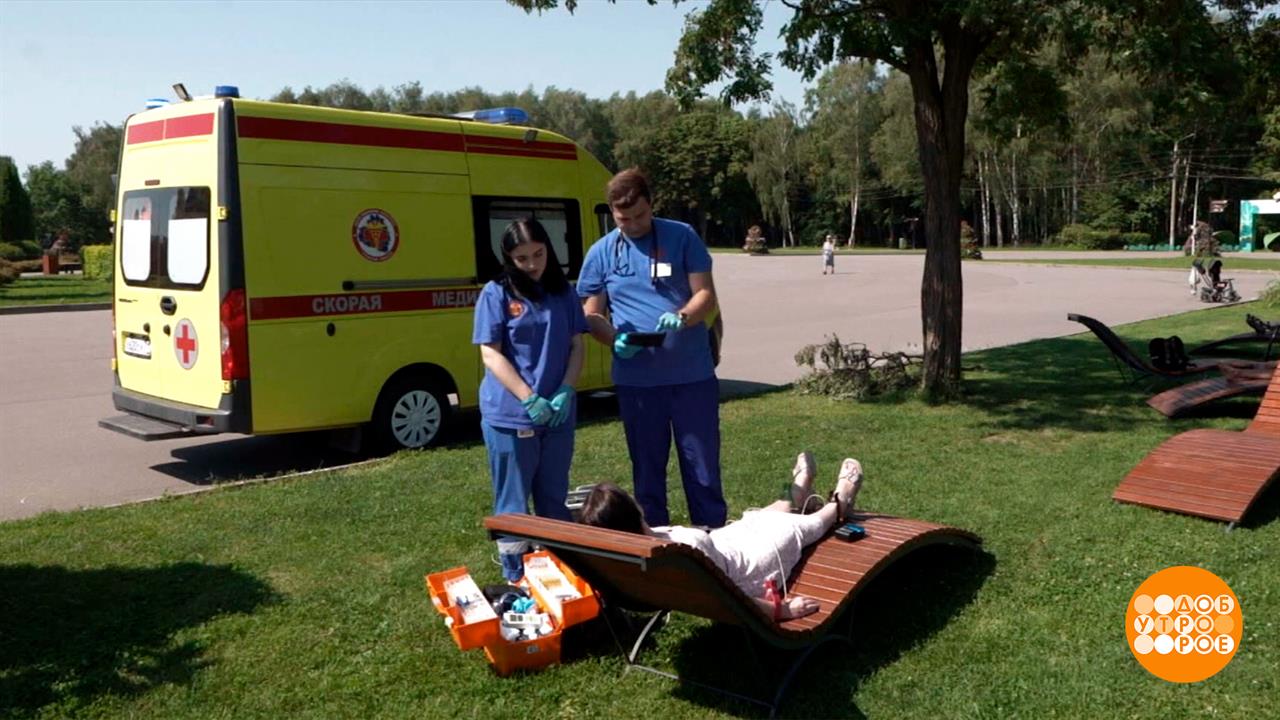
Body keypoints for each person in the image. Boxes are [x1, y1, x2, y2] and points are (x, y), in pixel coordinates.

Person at [577, 168, 726, 529]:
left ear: (651, 204)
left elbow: (705, 294)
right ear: (612, 213)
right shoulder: (601, 253)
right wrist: (613, 339)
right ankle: (653, 539)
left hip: (691, 378)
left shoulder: (682, 236)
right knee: (647, 472)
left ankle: (713, 538)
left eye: (640, 215)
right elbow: (591, 314)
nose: (632, 224)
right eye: (623, 219)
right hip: (638, 383)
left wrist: (683, 316)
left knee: (703, 469)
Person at [580, 453, 865, 621]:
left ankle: (800, 483)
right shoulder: (679, 553)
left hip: (727, 544)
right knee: (805, 525)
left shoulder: (638, 555)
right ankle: (841, 501)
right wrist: (783, 611)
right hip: (751, 567)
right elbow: (728, 595)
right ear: (633, 511)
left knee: (767, 513)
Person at [473, 217, 588, 582]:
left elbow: (577, 345)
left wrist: (567, 389)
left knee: (553, 496)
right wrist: (529, 399)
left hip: (557, 414)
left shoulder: (563, 292)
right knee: (513, 504)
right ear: (508, 258)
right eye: (522, 258)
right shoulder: (497, 293)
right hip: (511, 415)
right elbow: (490, 354)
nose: (532, 264)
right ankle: (516, 576)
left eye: (538, 254)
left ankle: (558, 571)